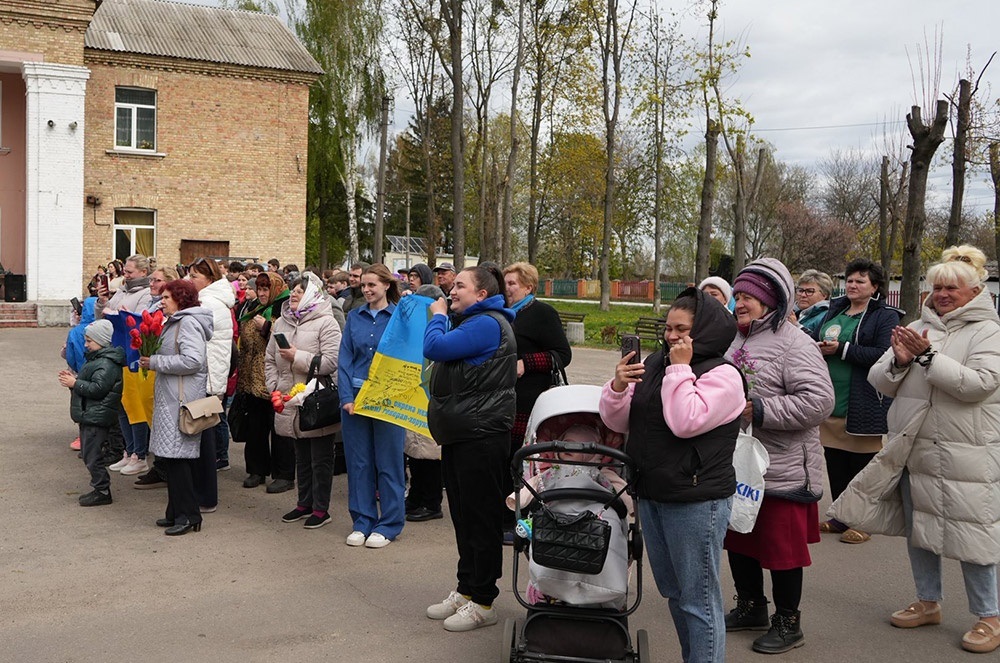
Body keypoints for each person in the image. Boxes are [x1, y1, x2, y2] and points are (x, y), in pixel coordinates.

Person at [831, 245, 1000, 654]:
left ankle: (989, 616)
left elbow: (980, 384)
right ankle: (928, 601)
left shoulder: (988, 331)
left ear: (975, 291)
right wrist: (901, 361)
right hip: (914, 446)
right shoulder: (919, 326)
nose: (942, 295)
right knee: (919, 530)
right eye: (937, 287)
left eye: (951, 288)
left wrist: (926, 357)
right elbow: (879, 379)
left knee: (973, 532)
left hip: (966, 451)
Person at [601, 287, 744, 663]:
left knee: (698, 600)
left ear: (705, 330)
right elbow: (618, 422)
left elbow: (685, 422)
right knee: (675, 593)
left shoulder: (725, 376)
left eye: (682, 330)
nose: (671, 336)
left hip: (696, 499)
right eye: (668, 328)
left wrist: (679, 369)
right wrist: (618, 387)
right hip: (652, 492)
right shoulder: (655, 363)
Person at [722, 258, 835, 655]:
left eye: (748, 297)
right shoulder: (736, 338)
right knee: (739, 536)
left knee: (781, 549)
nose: (739, 303)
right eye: (737, 295)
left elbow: (820, 401)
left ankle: (788, 622)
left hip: (783, 466)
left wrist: (761, 410)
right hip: (741, 463)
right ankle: (751, 605)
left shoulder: (795, 342)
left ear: (771, 300)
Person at [423, 264, 516, 632]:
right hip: (463, 434)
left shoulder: (487, 324)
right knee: (463, 517)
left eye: (460, 286)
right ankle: (466, 589)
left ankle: (484, 601)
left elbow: (434, 347)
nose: (452, 291)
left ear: (481, 294)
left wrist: (438, 316)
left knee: (481, 519)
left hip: (481, 436)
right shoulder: (474, 321)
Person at [812, 259, 901, 544]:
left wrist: (842, 349)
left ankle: (863, 522)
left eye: (860, 281)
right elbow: (815, 337)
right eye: (849, 280)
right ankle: (841, 517)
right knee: (835, 461)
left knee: (862, 468)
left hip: (863, 400)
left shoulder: (885, 316)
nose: (852, 285)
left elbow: (884, 354)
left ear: (874, 287)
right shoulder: (835, 310)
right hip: (832, 399)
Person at [338, 264, 407, 546]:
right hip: (356, 399)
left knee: (389, 463)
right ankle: (362, 520)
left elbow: (409, 359)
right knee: (359, 463)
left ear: (387, 285)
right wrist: (346, 398)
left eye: (371, 285)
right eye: (363, 285)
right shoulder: (354, 316)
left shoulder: (401, 317)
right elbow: (344, 359)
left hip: (389, 399)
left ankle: (389, 524)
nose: (366, 290)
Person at [266, 272, 342, 529]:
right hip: (289, 398)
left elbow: (331, 361)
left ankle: (321, 509)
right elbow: (269, 359)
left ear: (312, 294)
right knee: (300, 455)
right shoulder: (282, 322)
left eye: (301, 290)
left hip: (316, 399)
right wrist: (274, 386)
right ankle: (303, 503)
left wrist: (297, 356)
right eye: (293, 290)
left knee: (320, 458)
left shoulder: (326, 322)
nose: (294, 294)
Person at [503, 262, 571, 539]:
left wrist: (526, 363)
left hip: (530, 400)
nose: (507, 288)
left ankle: (520, 520)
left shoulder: (542, 313)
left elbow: (563, 354)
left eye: (512, 284)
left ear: (528, 287)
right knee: (503, 458)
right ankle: (503, 516)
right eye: (505, 283)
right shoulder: (503, 313)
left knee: (521, 461)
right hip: (503, 398)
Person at [140, 279, 213, 536]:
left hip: (180, 402)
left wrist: (155, 362)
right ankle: (175, 512)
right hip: (171, 399)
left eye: (167, 298)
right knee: (172, 461)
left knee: (179, 461)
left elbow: (193, 361)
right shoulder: (174, 322)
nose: (162, 302)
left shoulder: (188, 323)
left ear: (181, 300)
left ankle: (188, 515)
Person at [59, 320, 125, 507]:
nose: (86, 345)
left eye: (89, 341)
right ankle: (100, 487)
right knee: (90, 453)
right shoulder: (98, 359)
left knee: (92, 455)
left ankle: (102, 490)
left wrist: (75, 383)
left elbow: (98, 389)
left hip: (97, 415)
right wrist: (75, 380)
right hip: (92, 413)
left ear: (101, 341)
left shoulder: (105, 363)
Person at [186, 257, 235, 510]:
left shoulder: (209, 303)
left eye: (194, 276)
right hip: (206, 376)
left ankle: (205, 497)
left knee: (203, 441)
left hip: (205, 379)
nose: (190, 280)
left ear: (209, 279)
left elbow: (198, 342)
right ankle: (200, 493)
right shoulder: (209, 300)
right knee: (200, 439)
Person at [97, 254, 153, 477]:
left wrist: (120, 314)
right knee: (122, 404)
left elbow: (139, 320)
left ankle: (139, 454)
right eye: (125, 271)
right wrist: (103, 303)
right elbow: (103, 317)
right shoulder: (122, 289)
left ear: (143, 272)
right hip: (117, 350)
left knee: (135, 406)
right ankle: (128, 451)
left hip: (133, 353)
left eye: (130, 272)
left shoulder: (146, 293)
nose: (126, 275)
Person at [236, 272, 292, 490]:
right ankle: (256, 470)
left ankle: (284, 475)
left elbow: (287, 344)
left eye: (265, 289)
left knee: (280, 430)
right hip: (252, 379)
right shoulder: (253, 309)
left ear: (275, 289)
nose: (261, 293)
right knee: (255, 429)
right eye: (259, 289)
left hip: (275, 379)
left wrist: (267, 327)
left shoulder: (285, 312)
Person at [401, 263, 444, 523]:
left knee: (430, 455)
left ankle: (431, 502)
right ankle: (416, 496)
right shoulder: (416, 325)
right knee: (414, 452)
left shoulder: (440, 325)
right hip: (414, 392)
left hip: (432, 395)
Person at [132, 265, 181, 490]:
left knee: (166, 422)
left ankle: (165, 469)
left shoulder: (176, 314)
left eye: (157, 281)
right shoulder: (154, 306)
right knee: (155, 418)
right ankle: (160, 466)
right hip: (154, 367)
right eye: (151, 280)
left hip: (166, 371)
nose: (152, 284)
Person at [793, 270, 834, 336]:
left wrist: (796, 325)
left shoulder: (826, 318)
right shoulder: (793, 313)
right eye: (800, 290)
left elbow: (817, 341)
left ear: (824, 294)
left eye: (809, 291)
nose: (803, 295)